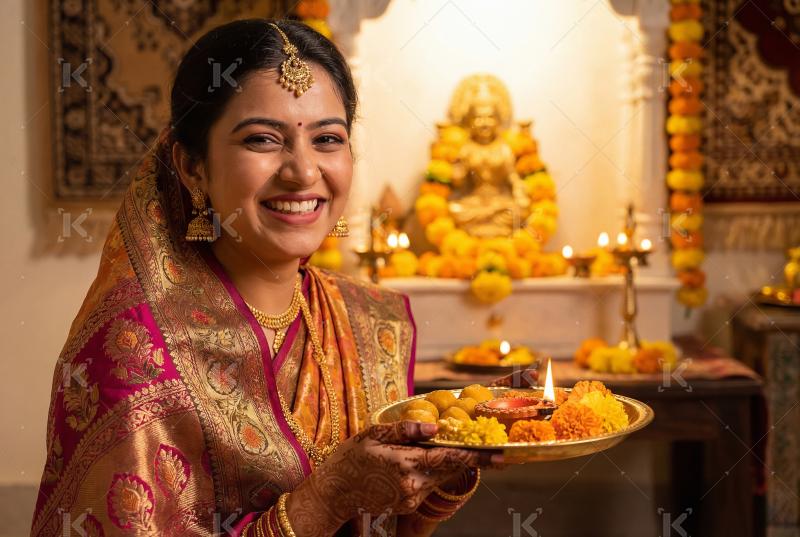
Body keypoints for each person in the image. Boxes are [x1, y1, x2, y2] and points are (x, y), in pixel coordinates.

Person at [30, 19, 502, 537]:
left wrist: (447, 462)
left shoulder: (370, 320)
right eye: (262, 139)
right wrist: (325, 498)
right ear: (193, 168)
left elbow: (386, 524)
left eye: (327, 138)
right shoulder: (135, 349)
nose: (302, 172)